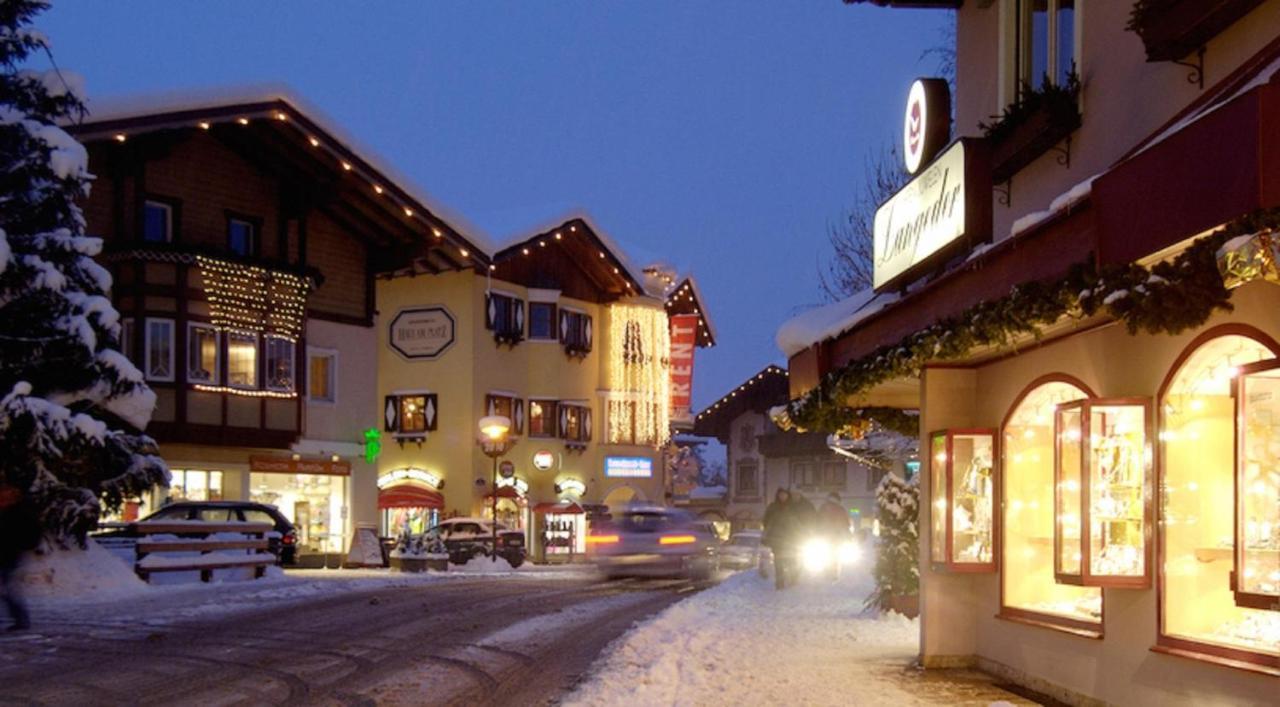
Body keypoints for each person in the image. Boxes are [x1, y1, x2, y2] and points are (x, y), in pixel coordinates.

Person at [0, 483, 41, 632]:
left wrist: (19, 545)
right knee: (7, 588)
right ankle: (20, 620)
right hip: (6, 554)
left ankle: (21, 621)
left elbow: (31, 533)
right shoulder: (7, 512)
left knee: (9, 588)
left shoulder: (19, 513)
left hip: (11, 555)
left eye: (5, 495)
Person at [762, 488, 797, 590]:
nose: (783, 496)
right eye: (781, 494)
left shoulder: (792, 507)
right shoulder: (773, 507)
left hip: (789, 539)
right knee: (778, 561)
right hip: (777, 539)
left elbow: (796, 522)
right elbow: (766, 521)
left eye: (784, 494)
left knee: (790, 559)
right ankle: (779, 582)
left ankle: (792, 579)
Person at [818, 492, 851, 580]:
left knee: (827, 556)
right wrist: (848, 537)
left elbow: (817, 523)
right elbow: (846, 525)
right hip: (836, 538)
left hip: (826, 537)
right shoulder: (841, 509)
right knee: (835, 556)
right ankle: (834, 574)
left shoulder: (823, 508)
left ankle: (827, 573)